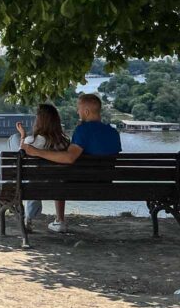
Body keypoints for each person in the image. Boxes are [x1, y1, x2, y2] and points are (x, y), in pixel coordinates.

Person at [21, 93, 121, 233]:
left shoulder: (83, 130)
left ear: (86, 111)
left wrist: (36, 152)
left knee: (59, 173)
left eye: (78, 108)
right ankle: (59, 220)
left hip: (80, 185)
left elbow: (69, 158)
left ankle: (59, 221)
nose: (77, 111)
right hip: (106, 183)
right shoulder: (113, 133)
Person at [16, 103, 70, 232]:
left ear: (39, 121)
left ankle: (28, 220)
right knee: (48, 179)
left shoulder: (31, 141)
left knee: (32, 179)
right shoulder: (65, 142)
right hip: (58, 186)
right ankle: (60, 219)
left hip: (35, 186)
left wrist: (22, 136)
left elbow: (20, 156)